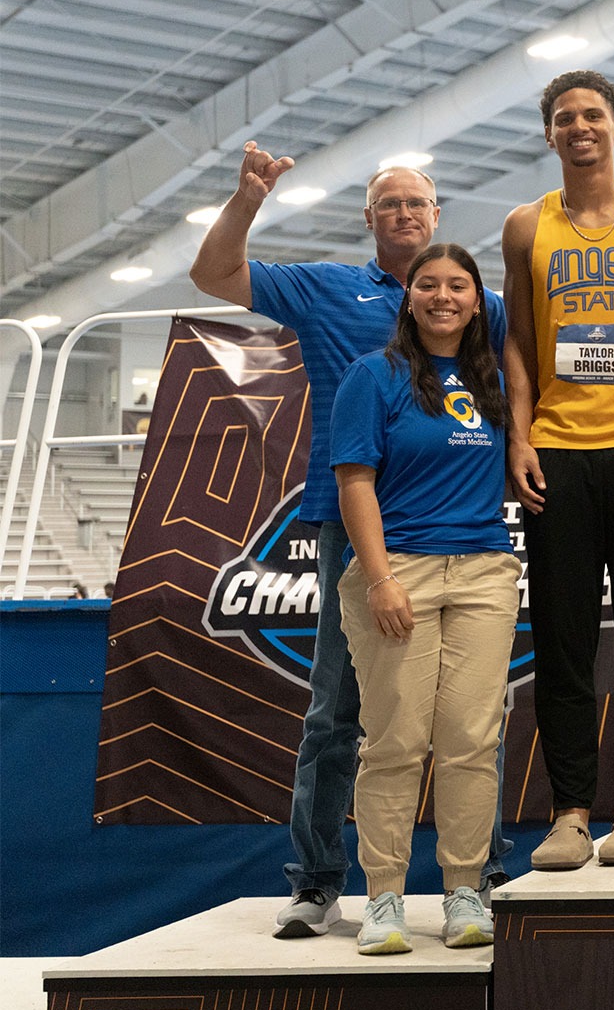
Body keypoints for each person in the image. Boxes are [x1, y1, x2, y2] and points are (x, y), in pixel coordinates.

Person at [188, 146, 511, 938]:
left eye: (417, 203)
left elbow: (517, 379)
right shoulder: (327, 288)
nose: (404, 213)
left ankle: (479, 877)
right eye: (389, 204)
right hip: (356, 527)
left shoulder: (480, 303)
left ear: (437, 217)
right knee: (340, 711)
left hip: (463, 539)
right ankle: (319, 880)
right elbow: (212, 274)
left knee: (470, 722)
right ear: (369, 219)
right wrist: (247, 200)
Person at [502, 70, 614, 870]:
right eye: (565, 118)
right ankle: (570, 811)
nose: (581, 128)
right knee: (565, 644)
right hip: (560, 456)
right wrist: (520, 434)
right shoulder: (523, 226)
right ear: (549, 134)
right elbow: (514, 340)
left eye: (594, 116)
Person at [332, 243, 520, 954]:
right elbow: (356, 484)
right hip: (398, 570)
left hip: (482, 572)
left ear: (478, 301)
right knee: (396, 742)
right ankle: (383, 899)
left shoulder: (492, 379)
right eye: (429, 285)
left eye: (459, 286)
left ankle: (464, 892)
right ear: (408, 297)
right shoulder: (372, 377)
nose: (444, 297)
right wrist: (379, 580)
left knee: (472, 740)